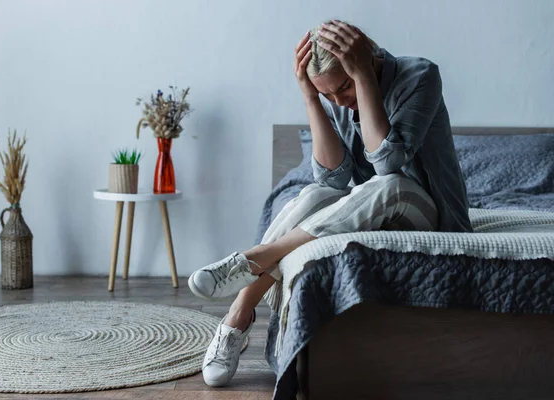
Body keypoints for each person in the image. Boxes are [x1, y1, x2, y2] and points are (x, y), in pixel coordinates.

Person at [188, 19, 472, 387]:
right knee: (312, 194)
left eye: (344, 88)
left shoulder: (420, 76)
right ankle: (237, 316)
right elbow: (333, 178)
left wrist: (364, 80)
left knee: (390, 185)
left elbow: (386, 164)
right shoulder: (334, 96)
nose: (340, 100)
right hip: (368, 208)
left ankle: (258, 256)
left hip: (429, 215)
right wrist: (310, 96)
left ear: (367, 59)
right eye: (329, 94)